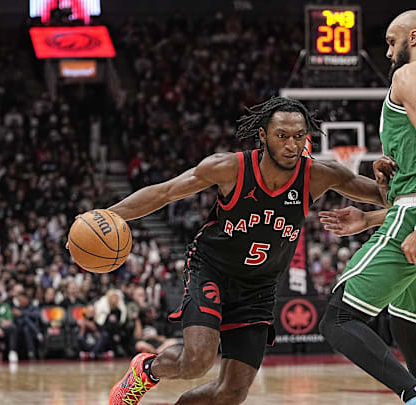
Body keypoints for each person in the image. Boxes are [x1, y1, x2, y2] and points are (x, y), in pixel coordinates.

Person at [96, 96, 388, 404]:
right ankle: (145, 369)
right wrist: (108, 215)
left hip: (259, 288)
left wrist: (385, 182)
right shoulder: (229, 168)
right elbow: (164, 192)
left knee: (232, 394)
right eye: (282, 136)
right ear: (262, 136)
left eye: (299, 136)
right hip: (212, 271)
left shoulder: (319, 175)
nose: (292, 145)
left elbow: (387, 197)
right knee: (196, 361)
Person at [317, 10, 416, 405]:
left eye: (390, 41)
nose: (387, 53)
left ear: (413, 37)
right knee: (405, 322)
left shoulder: (412, 74)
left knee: (338, 320)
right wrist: (371, 215)